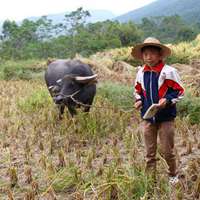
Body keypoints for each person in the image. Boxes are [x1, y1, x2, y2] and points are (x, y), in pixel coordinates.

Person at [132, 37, 184, 185]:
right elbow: (138, 91)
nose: (148, 57)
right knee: (149, 152)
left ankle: (172, 174)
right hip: (148, 118)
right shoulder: (141, 72)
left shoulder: (169, 72)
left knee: (167, 150)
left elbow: (179, 91)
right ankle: (150, 178)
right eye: (145, 54)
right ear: (142, 56)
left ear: (160, 55)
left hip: (166, 118)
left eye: (152, 53)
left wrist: (167, 100)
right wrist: (138, 100)